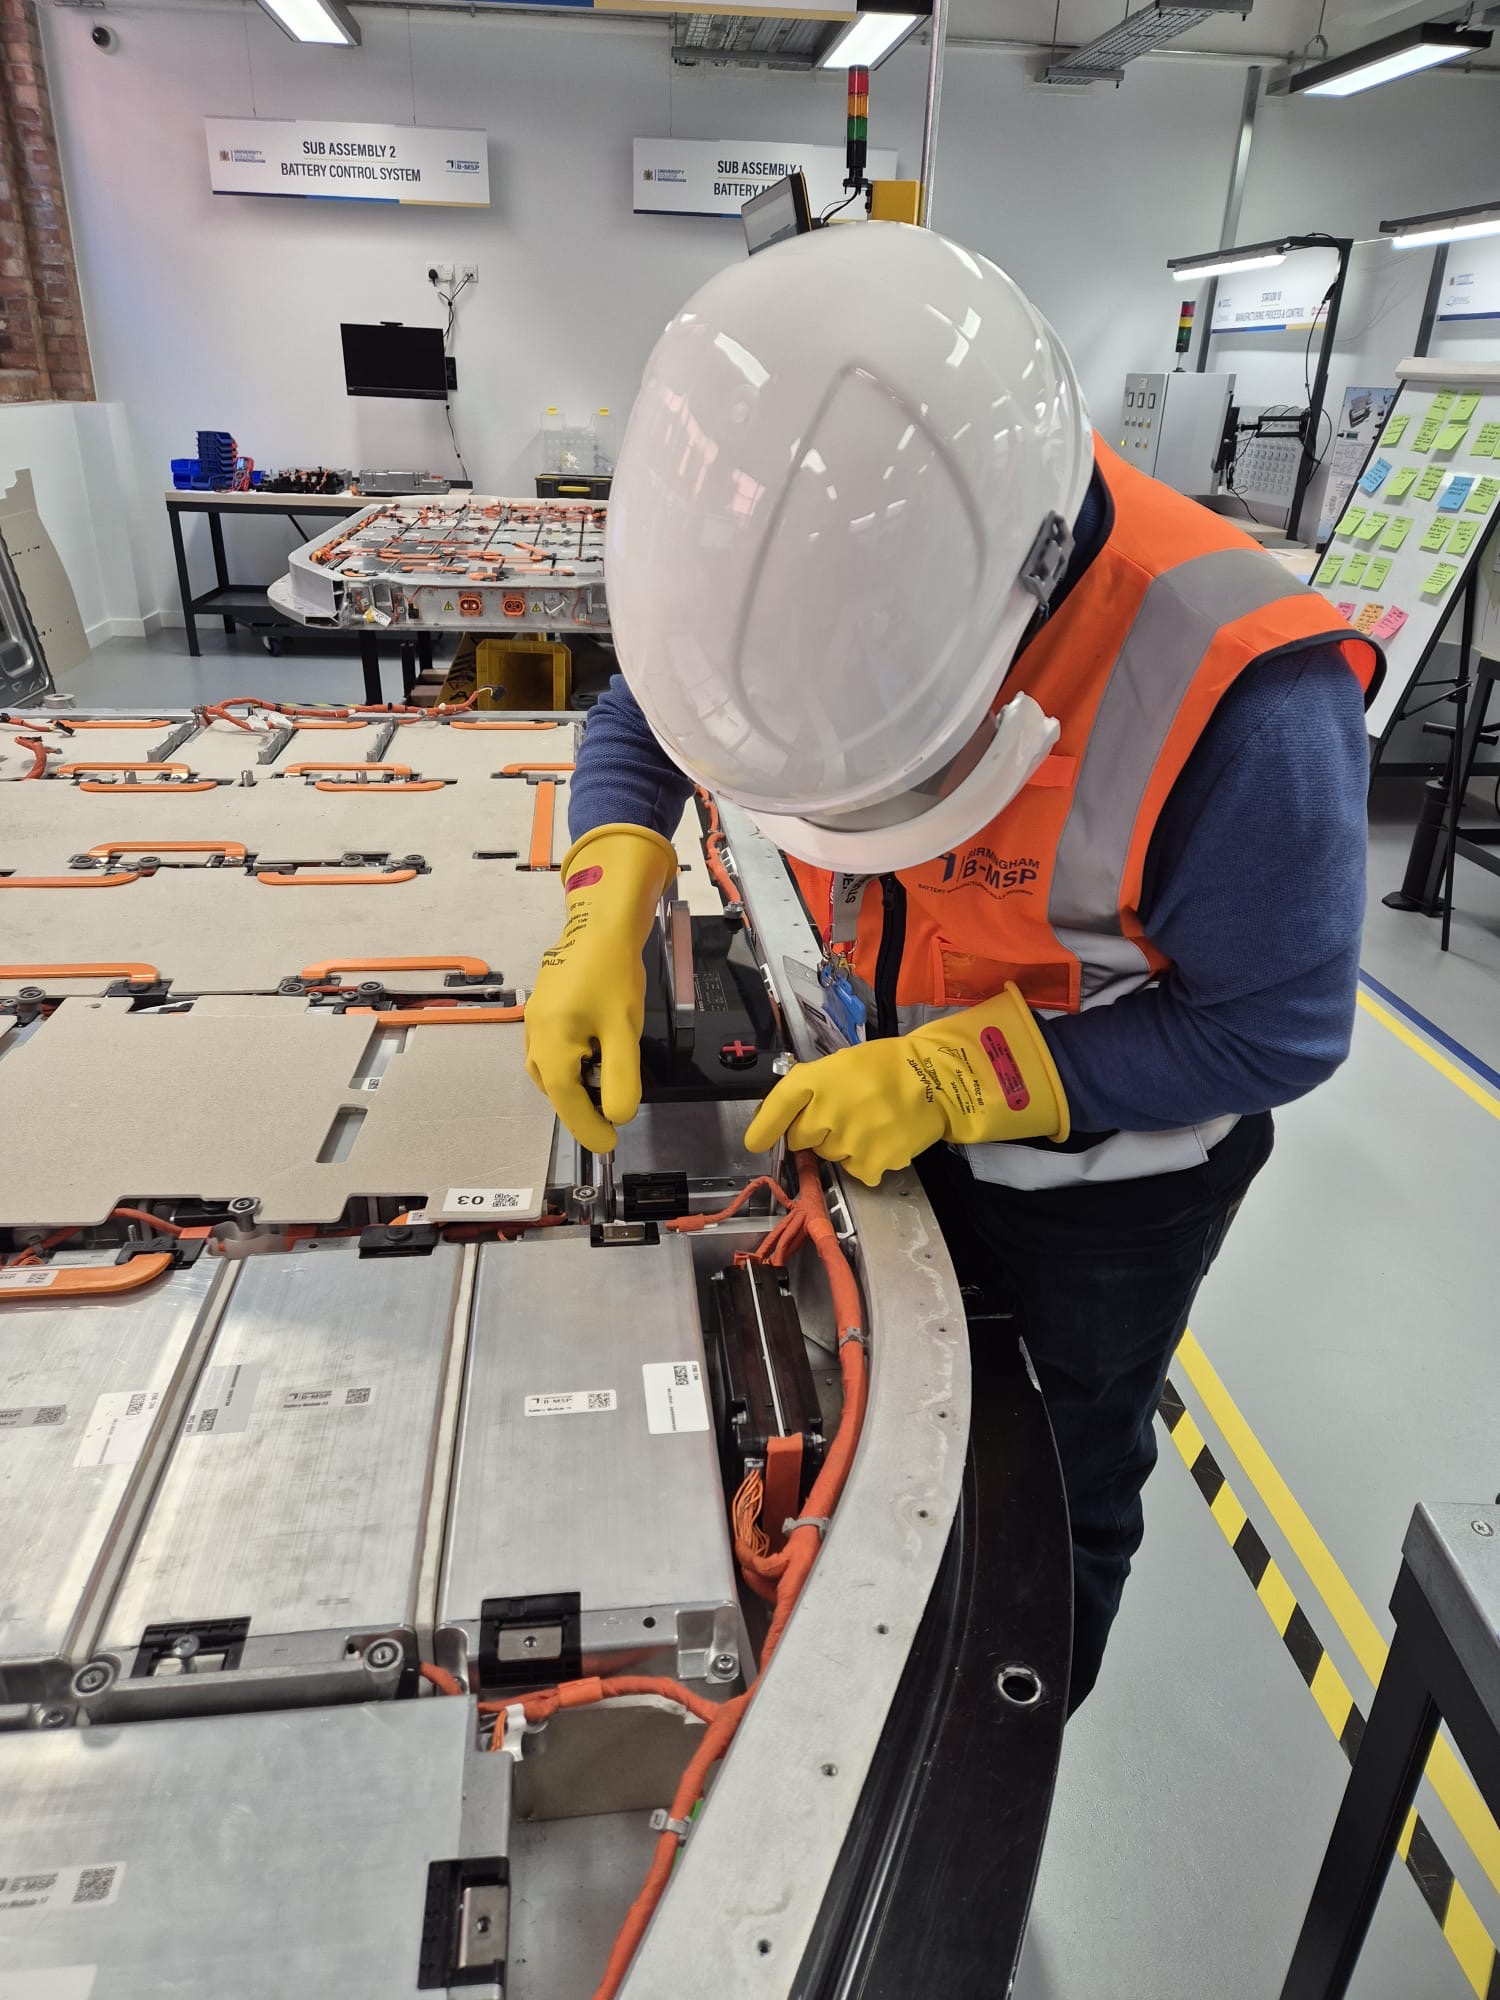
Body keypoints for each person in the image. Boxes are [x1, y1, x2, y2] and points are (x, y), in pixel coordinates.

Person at [523, 223, 1380, 1708]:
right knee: (875, 1431)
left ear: (1017, 609)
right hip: (873, 1106)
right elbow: (654, 709)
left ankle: (1015, 1752)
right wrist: (607, 893)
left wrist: (961, 1071)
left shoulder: (1246, 694)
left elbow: (1282, 1031)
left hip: (1107, 1198)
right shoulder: (766, 553)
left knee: (1057, 1477)